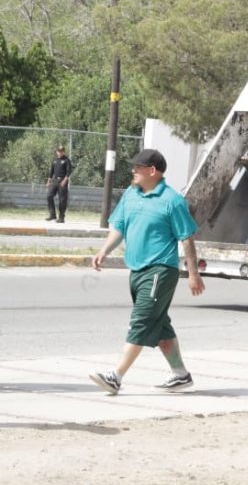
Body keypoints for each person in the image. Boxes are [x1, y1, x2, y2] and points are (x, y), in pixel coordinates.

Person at [88, 149, 205, 395]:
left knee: (141, 321)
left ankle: (116, 376)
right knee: (158, 323)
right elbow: (119, 226)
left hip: (160, 270)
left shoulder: (172, 201)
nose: (133, 171)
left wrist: (193, 274)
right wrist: (104, 251)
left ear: (152, 171)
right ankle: (181, 375)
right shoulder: (131, 194)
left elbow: (187, 238)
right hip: (137, 270)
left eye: (138, 167)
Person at [45, 145, 73, 223]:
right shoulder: (54, 160)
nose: (60, 152)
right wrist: (48, 181)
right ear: (56, 152)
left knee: (62, 200)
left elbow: (69, 171)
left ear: (63, 152)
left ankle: (61, 217)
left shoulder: (67, 160)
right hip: (55, 181)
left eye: (61, 151)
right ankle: (52, 215)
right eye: (58, 151)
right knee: (49, 196)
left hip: (62, 181)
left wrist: (65, 180)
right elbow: (51, 172)